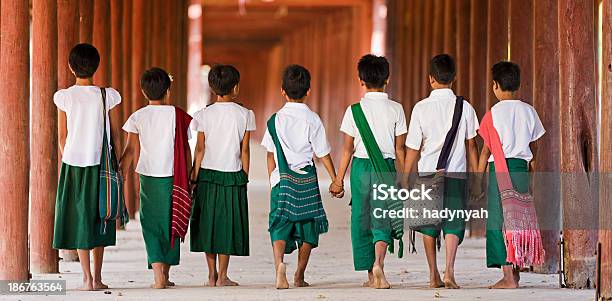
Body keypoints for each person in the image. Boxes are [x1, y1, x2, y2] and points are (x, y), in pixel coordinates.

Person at [261, 64, 343, 289]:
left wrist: (273, 180)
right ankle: (299, 275)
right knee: (308, 228)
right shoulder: (313, 119)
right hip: (306, 181)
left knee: (279, 224)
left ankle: (279, 265)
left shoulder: (274, 120)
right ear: (308, 91)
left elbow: (270, 155)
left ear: (282, 91)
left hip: (282, 180)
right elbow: (323, 153)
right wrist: (336, 179)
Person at [403, 54, 479, 289]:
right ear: (454, 78)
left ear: (431, 79)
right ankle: (450, 271)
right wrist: (477, 177)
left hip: (427, 173)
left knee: (428, 223)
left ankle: (433, 273)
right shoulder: (464, 107)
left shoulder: (420, 108)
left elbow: (413, 148)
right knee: (454, 222)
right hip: (456, 173)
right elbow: (471, 144)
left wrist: (406, 176)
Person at [335, 54, 407, 289]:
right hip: (385, 168)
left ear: (361, 80)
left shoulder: (353, 110)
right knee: (382, 217)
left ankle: (369, 274)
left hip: (359, 168)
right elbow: (399, 148)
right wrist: (404, 177)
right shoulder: (396, 109)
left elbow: (346, 149)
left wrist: (338, 180)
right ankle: (379, 265)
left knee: (362, 218)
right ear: (387, 79)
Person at [52, 43, 121, 291]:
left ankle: (87, 279)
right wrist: (116, 160)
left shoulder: (65, 97)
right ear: (96, 66)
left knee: (81, 218)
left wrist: (69, 157)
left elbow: (62, 137)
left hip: (74, 163)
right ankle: (99, 277)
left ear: (71, 67)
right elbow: (112, 132)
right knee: (99, 216)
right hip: (100, 163)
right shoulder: (107, 95)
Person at [120, 67, 194, 289]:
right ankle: (165, 273)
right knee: (171, 220)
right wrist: (190, 176)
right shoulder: (179, 115)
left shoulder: (138, 117)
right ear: (168, 91)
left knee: (151, 224)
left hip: (149, 177)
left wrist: (120, 175)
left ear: (143, 92)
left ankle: (158, 276)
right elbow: (186, 150)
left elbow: (131, 151)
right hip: (175, 177)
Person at [475, 61, 545, 289]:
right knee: (519, 219)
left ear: (495, 85)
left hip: (499, 171)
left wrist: (477, 180)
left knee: (498, 222)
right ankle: (516, 271)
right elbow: (535, 147)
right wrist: (531, 170)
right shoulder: (529, 111)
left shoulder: (492, 114)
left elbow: (486, 151)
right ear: (518, 85)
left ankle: (507, 276)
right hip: (520, 169)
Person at [190, 64, 255, 287]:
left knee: (208, 224)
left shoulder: (203, 114)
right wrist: (245, 175)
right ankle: (223, 276)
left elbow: (200, 149)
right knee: (226, 226)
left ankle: (211, 274)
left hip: (207, 174)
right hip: (232, 174)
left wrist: (194, 175)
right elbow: (244, 149)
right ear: (235, 87)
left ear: (211, 87)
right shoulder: (246, 114)